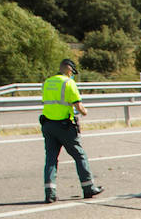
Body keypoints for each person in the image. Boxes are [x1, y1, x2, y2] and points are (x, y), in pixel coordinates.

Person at [41, 58, 102, 203]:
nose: (72, 74)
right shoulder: (69, 83)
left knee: (50, 159)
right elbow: (78, 106)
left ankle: (50, 193)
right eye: (72, 72)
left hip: (48, 125)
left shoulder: (47, 82)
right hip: (64, 126)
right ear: (69, 69)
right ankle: (88, 188)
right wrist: (85, 112)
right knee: (79, 155)